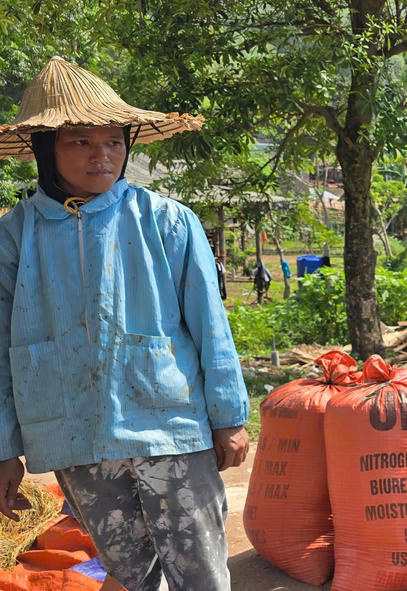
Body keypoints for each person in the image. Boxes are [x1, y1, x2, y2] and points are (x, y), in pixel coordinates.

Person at [0, 57, 249, 591]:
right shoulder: (14, 236)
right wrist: (3, 447)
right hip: (73, 435)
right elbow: (0, 348)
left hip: (171, 426)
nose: (102, 155)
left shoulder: (166, 220)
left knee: (200, 571)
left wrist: (229, 415)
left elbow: (210, 324)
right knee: (129, 573)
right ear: (45, 148)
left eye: (114, 141)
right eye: (81, 142)